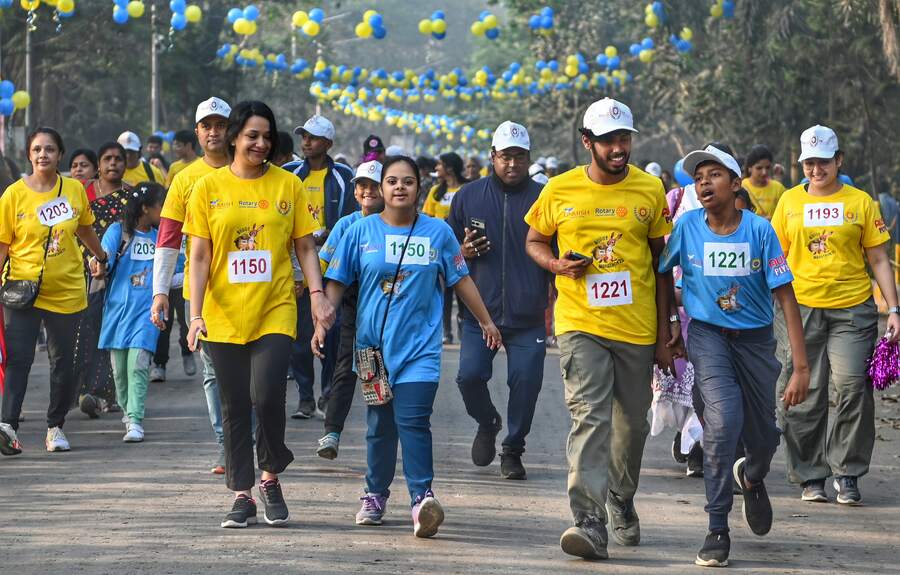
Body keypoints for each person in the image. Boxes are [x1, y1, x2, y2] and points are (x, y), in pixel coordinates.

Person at [524, 98, 681, 560]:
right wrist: (555, 263)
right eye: (609, 140)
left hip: (636, 329)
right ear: (587, 142)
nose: (619, 148)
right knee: (590, 417)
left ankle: (620, 498)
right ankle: (588, 520)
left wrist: (666, 329)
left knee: (630, 429)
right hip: (580, 324)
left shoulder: (650, 189)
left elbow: (661, 265)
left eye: (625, 139)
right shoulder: (559, 189)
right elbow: (533, 238)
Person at [313, 155, 501, 536]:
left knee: (413, 422)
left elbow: (460, 279)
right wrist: (323, 319)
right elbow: (336, 280)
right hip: (371, 350)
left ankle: (422, 500)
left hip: (420, 351)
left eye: (408, 182)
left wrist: (485, 320)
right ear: (381, 189)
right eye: (392, 181)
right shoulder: (360, 233)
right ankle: (375, 494)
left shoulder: (438, 233)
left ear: (419, 188)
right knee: (380, 424)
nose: (400, 188)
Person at [184, 100, 334, 528]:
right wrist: (195, 315)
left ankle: (270, 476)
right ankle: (242, 493)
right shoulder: (208, 189)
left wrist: (318, 293)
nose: (261, 143)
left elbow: (305, 245)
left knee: (267, 395)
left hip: (275, 309)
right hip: (222, 314)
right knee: (234, 405)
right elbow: (198, 256)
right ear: (234, 137)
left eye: (267, 136)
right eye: (252, 135)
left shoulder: (287, 185)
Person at [660, 144, 810, 567]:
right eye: (699, 177)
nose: (704, 182)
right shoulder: (687, 226)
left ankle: (753, 474)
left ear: (736, 184)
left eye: (715, 174)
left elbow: (785, 295)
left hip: (756, 342)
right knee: (724, 424)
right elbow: (659, 274)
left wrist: (801, 367)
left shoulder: (760, 231)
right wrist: (668, 326)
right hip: (708, 338)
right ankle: (717, 528)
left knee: (762, 435)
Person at [771, 125, 900, 506]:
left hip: (852, 309)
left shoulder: (860, 202)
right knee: (804, 392)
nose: (816, 170)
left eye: (823, 162)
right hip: (799, 308)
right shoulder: (789, 203)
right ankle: (811, 475)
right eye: (809, 163)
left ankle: (847, 472)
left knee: (850, 387)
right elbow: (775, 258)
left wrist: (893, 309)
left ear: (838, 160)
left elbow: (878, 257)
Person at [448, 121, 549, 480]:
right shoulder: (467, 197)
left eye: (519, 157)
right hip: (479, 313)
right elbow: (448, 255)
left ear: (528, 158)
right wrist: (462, 250)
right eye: (505, 156)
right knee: (468, 377)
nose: (512, 164)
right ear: (493, 156)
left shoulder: (544, 198)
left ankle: (513, 448)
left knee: (526, 382)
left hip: (528, 315)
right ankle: (488, 421)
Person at [0, 127, 107, 455]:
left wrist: (99, 256)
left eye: (49, 149)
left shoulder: (74, 190)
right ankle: (7, 428)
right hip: (23, 291)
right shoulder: (13, 196)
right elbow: (3, 246)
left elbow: (85, 229)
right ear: (29, 155)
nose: (42, 154)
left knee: (64, 364)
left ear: (60, 155)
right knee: (19, 360)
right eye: (36, 149)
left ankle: (55, 426)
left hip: (68, 292)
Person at [151, 96, 233, 473]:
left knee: (253, 374)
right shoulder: (184, 179)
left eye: (221, 125)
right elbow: (167, 239)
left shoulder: (253, 170)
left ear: (231, 130)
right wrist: (158, 292)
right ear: (198, 132)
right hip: (202, 293)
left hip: (256, 290)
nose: (214, 132)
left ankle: (251, 439)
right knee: (214, 372)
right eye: (207, 126)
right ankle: (227, 444)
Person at [283, 114, 357, 419]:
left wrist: (329, 237)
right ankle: (304, 396)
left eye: (312, 138)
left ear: (327, 143)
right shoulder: (288, 173)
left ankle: (328, 391)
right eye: (304, 137)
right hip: (295, 263)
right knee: (299, 333)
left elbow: (350, 222)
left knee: (331, 328)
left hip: (332, 266)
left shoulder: (343, 176)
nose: (306, 142)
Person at [315, 160, 384, 459]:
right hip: (353, 308)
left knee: (376, 374)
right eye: (362, 186)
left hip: (387, 310)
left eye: (374, 185)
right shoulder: (346, 225)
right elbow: (323, 263)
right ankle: (332, 433)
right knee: (345, 368)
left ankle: (378, 437)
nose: (368, 191)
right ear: (355, 192)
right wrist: (317, 302)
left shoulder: (394, 224)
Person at [93, 182, 165, 443]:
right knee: (120, 370)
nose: (165, 210)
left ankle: (135, 418)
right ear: (146, 208)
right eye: (161, 205)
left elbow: (177, 269)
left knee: (139, 365)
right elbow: (104, 258)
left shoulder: (162, 237)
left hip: (148, 313)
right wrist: (98, 264)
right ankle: (127, 411)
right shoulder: (117, 231)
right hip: (117, 312)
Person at [75, 142, 133, 418]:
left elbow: (137, 233)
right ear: (98, 164)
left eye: (118, 159)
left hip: (120, 273)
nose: (113, 164)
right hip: (80, 271)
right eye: (107, 159)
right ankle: (86, 390)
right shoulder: (82, 192)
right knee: (86, 330)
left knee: (112, 332)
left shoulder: (133, 197)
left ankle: (106, 394)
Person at [423, 152, 467, 344]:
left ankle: (464, 325)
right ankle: (445, 331)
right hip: (439, 250)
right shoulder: (435, 192)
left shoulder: (467, 189)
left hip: (464, 249)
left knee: (463, 289)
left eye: (439, 165)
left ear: (449, 167)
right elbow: (427, 219)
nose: (436, 169)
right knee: (443, 291)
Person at [741, 145, 786, 219]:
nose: (764, 172)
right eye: (759, 168)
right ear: (749, 168)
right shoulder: (742, 187)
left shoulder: (778, 188)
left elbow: (785, 214)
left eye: (768, 167)